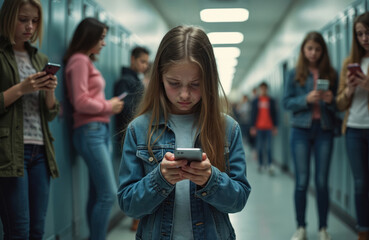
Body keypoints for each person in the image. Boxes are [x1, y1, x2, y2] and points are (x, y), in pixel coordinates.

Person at [117, 25, 251, 240]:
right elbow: (129, 205)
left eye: (195, 84)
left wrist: (210, 179)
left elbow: (239, 200)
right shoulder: (139, 130)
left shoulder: (228, 128)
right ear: (160, 77)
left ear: (208, 80)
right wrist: (159, 179)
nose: (185, 94)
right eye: (174, 83)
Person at [0, 0, 60, 239]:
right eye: (23, 19)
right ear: (8, 18)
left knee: (37, 230)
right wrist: (21, 89)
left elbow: (51, 114)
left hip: (41, 152)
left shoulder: (39, 58)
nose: (30, 27)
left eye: (34, 21)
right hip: (10, 151)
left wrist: (50, 91)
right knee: (19, 231)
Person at [64, 17, 123, 240]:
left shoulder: (84, 61)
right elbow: (80, 101)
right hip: (91, 131)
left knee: (97, 192)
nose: (104, 43)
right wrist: (109, 105)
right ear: (88, 37)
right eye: (101, 38)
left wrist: (108, 107)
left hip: (99, 130)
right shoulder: (79, 60)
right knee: (108, 194)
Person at [283, 31, 337, 240]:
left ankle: (323, 227)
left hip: (324, 129)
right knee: (302, 181)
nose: (313, 53)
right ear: (303, 50)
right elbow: (286, 102)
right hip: (300, 130)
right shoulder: (294, 73)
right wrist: (306, 98)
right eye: (309, 49)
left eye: (317, 49)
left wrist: (331, 100)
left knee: (322, 181)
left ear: (322, 51)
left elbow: (338, 107)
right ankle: (301, 227)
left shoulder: (330, 73)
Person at [336, 12, 369, 240]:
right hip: (354, 130)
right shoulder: (350, 63)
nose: (365, 38)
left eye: (368, 32)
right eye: (360, 34)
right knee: (360, 184)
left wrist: (367, 84)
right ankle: (363, 230)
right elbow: (339, 103)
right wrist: (349, 89)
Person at [114, 46, 149, 141]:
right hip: (127, 132)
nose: (145, 66)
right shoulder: (125, 81)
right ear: (133, 59)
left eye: (146, 63)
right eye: (142, 62)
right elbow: (125, 109)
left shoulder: (136, 80)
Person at [250, 82, 278, 174]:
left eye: (265, 88)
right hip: (259, 128)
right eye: (262, 88)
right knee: (260, 147)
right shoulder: (255, 101)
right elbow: (253, 114)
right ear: (260, 89)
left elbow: (275, 114)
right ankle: (261, 164)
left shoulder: (271, 101)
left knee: (269, 148)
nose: (263, 90)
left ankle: (270, 165)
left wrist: (275, 126)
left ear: (267, 89)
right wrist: (253, 127)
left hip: (269, 127)